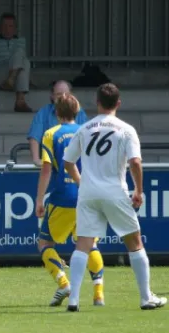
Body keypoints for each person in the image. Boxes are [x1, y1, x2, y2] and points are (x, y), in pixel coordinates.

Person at [63, 83, 167, 311]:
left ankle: (74, 299)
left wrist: (82, 182)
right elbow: (135, 162)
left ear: (97, 102)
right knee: (135, 242)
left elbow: (68, 162)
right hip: (114, 190)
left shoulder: (84, 128)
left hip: (88, 193)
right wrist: (139, 190)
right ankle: (145, 297)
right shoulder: (126, 130)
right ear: (118, 103)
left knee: (83, 244)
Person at [35, 93, 104, 307]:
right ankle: (98, 294)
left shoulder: (51, 134)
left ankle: (63, 283)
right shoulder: (89, 131)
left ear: (56, 113)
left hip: (63, 195)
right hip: (89, 194)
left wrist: (39, 199)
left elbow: (46, 170)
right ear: (77, 111)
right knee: (88, 243)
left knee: (45, 243)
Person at [27, 80, 89, 167]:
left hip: (75, 163)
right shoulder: (44, 113)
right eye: (59, 94)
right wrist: (36, 159)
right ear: (52, 96)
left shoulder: (80, 112)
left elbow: (87, 138)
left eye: (66, 94)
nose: (63, 97)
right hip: (51, 164)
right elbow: (34, 136)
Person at [0, 13, 33, 113]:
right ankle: (20, 100)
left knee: (23, 58)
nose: (7, 29)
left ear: (15, 28)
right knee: (22, 57)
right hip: (0, 75)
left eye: (10, 26)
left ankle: (17, 95)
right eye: (4, 26)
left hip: (14, 77)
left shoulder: (21, 41)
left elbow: (22, 64)